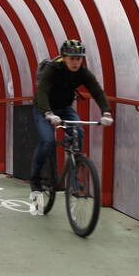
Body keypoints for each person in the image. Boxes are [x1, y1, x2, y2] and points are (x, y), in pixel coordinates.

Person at [30, 39, 113, 198]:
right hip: (43, 109)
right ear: (64, 57)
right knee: (48, 141)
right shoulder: (53, 69)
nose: (75, 62)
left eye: (79, 59)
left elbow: (97, 91)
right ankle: (35, 178)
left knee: (78, 133)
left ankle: (76, 181)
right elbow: (42, 92)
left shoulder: (82, 72)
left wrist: (106, 112)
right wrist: (48, 113)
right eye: (72, 58)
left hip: (65, 109)